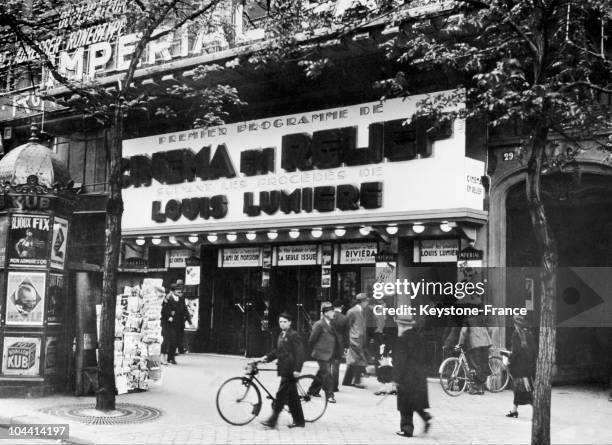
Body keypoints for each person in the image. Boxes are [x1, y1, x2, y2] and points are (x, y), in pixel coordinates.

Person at [259, 312, 306, 429]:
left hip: (290, 370)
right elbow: (277, 351)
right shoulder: (281, 334)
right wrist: (267, 357)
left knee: (280, 396)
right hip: (284, 369)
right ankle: (300, 421)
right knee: (292, 398)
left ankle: (272, 421)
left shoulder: (294, 335)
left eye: (285, 321)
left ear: (290, 323)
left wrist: (297, 369)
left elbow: (300, 353)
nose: (282, 324)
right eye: (281, 322)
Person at [393, 318, 432, 437]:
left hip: (406, 376)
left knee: (405, 404)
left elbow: (400, 361)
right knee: (415, 400)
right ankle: (425, 417)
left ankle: (406, 429)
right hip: (419, 375)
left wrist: (396, 378)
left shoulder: (402, 340)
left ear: (403, 326)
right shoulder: (420, 337)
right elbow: (428, 357)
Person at [506, 313, 536, 417]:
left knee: (524, 390)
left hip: (519, 367)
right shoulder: (529, 334)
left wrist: (509, 360)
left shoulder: (516, 334)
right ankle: (514, 410)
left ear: (515, 324)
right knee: (521, 390)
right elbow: (533, 350)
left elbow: (516, 351)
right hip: (527, 366)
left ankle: (536, 410)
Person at [307, 302, 337, 403]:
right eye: (331, 311)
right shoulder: (319, 324)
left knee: (322, 372)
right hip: (321, 353)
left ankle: (312, 391)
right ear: (325, 313)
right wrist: (317, 349)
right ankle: (330, 395)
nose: (334, 313)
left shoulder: (332, 323)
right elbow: (312, 339)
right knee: (327, 374)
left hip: (330, 353)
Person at [457, 312, 493, 395]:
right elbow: (490, 329)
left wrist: (460, 343)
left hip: (475, 344)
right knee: (483, 364)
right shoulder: (483, 316)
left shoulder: (467, 317)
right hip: (486, 343)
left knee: (476, 365)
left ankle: (476, 388)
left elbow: (463, 331)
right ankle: (481, 388)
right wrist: (488, 339)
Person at [342, 293, 368, 388]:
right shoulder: (352, 311)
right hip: (354, 339)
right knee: (359, 359)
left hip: (360, 338)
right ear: (362, 302)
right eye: (366, 301)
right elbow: (347, 326)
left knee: (354, 360)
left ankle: (347, 381)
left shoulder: (362, 310)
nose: (367, 303)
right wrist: (349, 339)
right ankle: (357, 381)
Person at [161, 282, 183, 365]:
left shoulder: (178, 299)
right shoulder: (168, 298)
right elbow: (164, 310)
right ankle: (163, 358)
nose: (180, 294)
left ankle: (170, 358)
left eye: (180, 292)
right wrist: (169, 317)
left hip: (175, 323)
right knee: (166, 340)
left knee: (173, 340)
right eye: (178, 292)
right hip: (167, 322)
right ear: (173, 291)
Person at [330, 299, 349, 392]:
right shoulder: (344, 318)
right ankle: (334, 387)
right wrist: (347, 346)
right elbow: (346, 334)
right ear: (342, 307)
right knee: (335, 365)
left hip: (328, 342)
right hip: (339, 344)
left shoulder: (328, 316)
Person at [172, 280, 191, 354]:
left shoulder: (182, 296)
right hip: (175, 319)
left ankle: (180, 349)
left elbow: (184, 308)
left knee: (180, 334)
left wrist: (188, 319)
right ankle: (178, 349)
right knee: (177, 335)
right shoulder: (175, 296)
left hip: (180, 319)